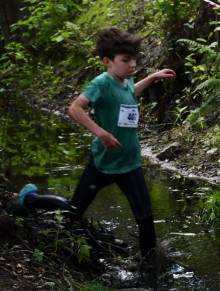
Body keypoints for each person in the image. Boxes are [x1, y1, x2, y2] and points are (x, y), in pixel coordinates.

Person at [11, 28, 176, 265]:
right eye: (126, 60)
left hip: (129, 162)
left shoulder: (126, 80)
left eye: (134, 59)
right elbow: (74, 109)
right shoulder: (101, 83)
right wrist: (102, 133)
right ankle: (29, 199)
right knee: (73, 210)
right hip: (104, 162)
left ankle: (150, 266)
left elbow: (130, 93)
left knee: (145, 216)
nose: (133, 64)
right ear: (107, 62)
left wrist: (152, 77)